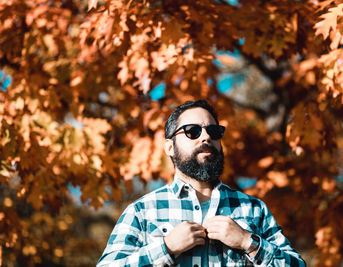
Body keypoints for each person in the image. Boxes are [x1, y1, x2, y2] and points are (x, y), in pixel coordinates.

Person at [97, 100, 306, 267]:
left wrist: (247, 242)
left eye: (213, 132)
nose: (206, 136)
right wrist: (166, 247)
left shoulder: (253, 210)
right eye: (192, 131)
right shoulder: (142, 211)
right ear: (169, 147)